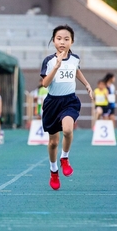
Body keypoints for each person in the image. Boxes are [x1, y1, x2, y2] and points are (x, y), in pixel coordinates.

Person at [40, 25, 93, 190]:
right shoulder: (49, 61)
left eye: (66, 39)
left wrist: (87, 84)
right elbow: (45, 83)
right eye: (59, 39)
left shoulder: (75, 58)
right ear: (53, 41)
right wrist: (56, 66)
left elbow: (76, 71)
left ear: (72, 41)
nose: (62, 42)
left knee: (68, 130)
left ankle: (65, 158)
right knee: (53, 142)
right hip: (52, 103)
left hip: (69, 101)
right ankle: (53, 170)